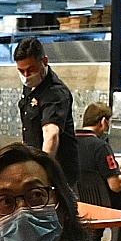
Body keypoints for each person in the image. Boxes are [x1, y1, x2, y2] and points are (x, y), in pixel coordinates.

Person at [14, 37, 78, 183]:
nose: (26, 76)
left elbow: (51, 135)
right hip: (34, 165)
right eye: (21, 71)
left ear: (44, 61)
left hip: (57, 174)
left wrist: (42, 171)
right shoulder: (31, 85)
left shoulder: (55, 93)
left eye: (31, 70)